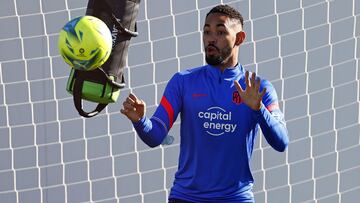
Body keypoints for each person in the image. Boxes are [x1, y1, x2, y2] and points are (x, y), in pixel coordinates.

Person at [121, 4, 289, 203]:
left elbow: (281, 142)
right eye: (207, 31)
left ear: (240, 38)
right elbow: (156, 135)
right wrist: (140, 120)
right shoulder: (183, 82)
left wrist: (258, 108)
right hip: (186, 197)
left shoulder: (259, 89)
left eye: (220, 31)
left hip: (235, 199)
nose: (211, 38)